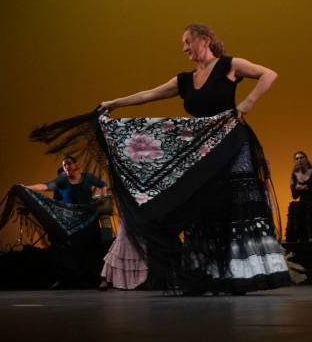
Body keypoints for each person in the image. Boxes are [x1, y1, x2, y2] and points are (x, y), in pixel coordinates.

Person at [31, 23, 293, 294]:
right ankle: (211, 274)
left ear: (204, 40)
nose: (184, 48)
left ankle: (243, 273)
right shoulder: (185, 80)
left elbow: (268, 74)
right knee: (204, 207)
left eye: (188, 41)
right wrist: (114, 103)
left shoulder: (229, 65)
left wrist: (248, 101)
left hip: (232, 145)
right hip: (203, 153)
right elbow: (148, 94)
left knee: (234, 205)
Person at [15, 156, 109, 288]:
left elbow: (103, 185)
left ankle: (101, 279)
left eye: (69, 163)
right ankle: (66, 279)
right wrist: (26, 187)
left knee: (92, 248)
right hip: (70, 221)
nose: (67, 167)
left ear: (76, 164)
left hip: (88, 218)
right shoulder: (62, 180)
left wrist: (101, 198)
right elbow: (45, 186)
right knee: (67, 249)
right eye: (64, 165)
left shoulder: (87, 177)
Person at [285, 151, 312, 242]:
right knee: (296, 207)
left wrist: (308, 188)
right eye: (297, 159)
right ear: (295, 161)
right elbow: (294, 196)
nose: (299, 160)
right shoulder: (293, 176)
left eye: (301, 158)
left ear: (306, 160)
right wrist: (298, 189)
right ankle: (301, 236)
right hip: (302, 203)